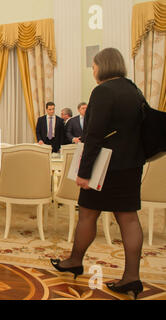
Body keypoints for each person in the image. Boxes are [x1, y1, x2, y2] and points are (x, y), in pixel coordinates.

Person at [50, 48, 146, 299]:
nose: (93, 71)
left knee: (87, 214)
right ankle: (132, 278)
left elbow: (94, 134)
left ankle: (74, 260)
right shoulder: (133, 90)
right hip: (131, 165)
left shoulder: (103, 91)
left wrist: (84, 172)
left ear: (102, 67)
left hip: (105, 168)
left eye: (93, 67)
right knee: (129, 218)